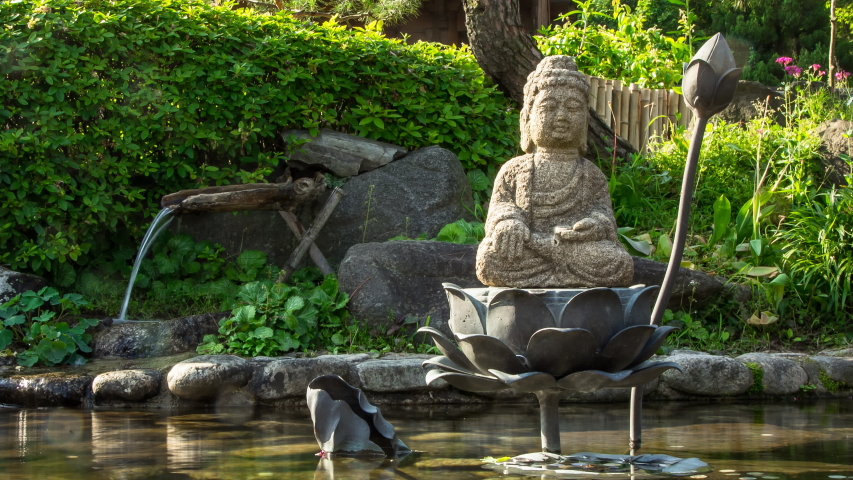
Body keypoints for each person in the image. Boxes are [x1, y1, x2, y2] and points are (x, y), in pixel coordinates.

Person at [475, 56, 633, 288]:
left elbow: (603, 214)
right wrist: (509, 223)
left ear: (585, 120)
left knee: (618, 262)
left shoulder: (590, 173)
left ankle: (555, 274)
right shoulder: (515, 168)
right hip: (531, 245)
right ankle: (563, 276)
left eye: (572, 108)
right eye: (549, 107)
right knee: (490, 258)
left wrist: (594, 225)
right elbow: (501, 206)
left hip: (575, 250)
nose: (561, 116)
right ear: (528, 119)